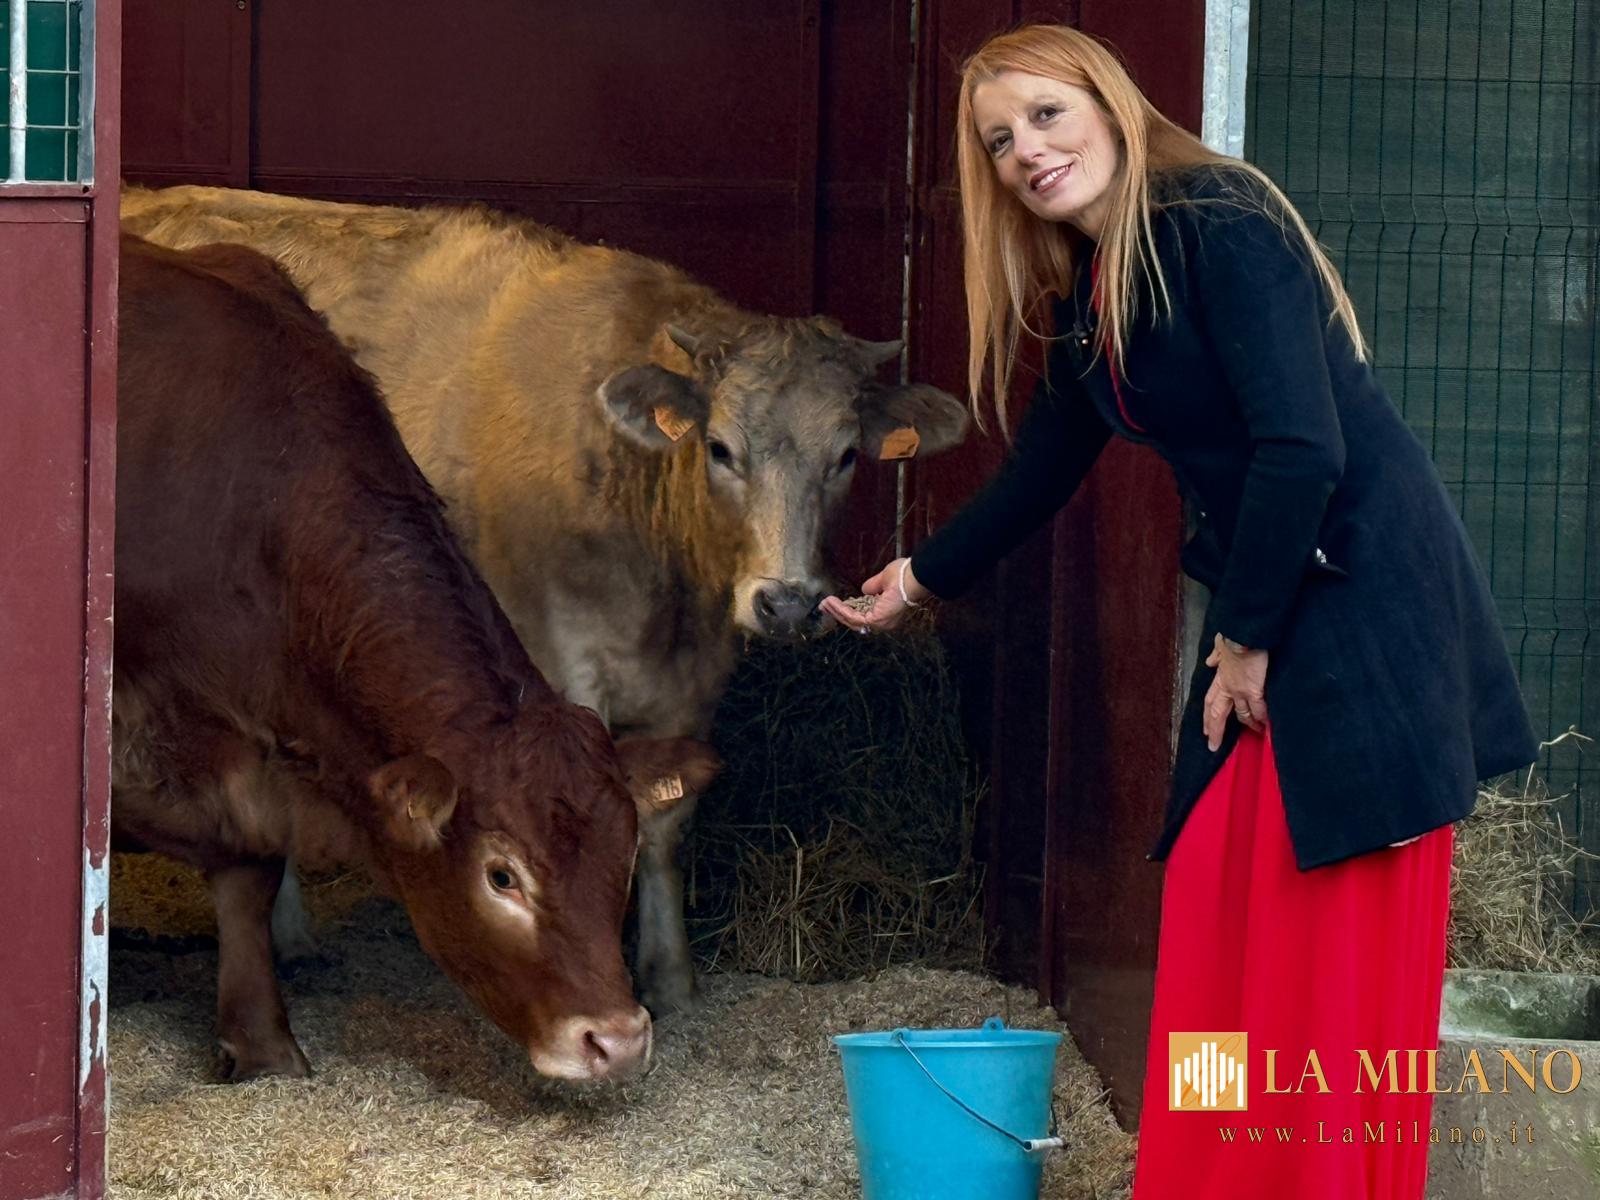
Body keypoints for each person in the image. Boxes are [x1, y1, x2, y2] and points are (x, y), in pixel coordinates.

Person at [820, 23, 1538, 1200]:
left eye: (1046, 115)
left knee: (1327, 950)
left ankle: (1316, 1181)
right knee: (1211, 903)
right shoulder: (1092, 292)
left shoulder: (1218, 223)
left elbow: (1301, 449)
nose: (1026, 152)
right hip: (1268, 602)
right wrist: (921, 579)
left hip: (1359, 612)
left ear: (1110, 106)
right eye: (998, 141)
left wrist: (1242, 640)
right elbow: (1041, 470)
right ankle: (1201, 1170)